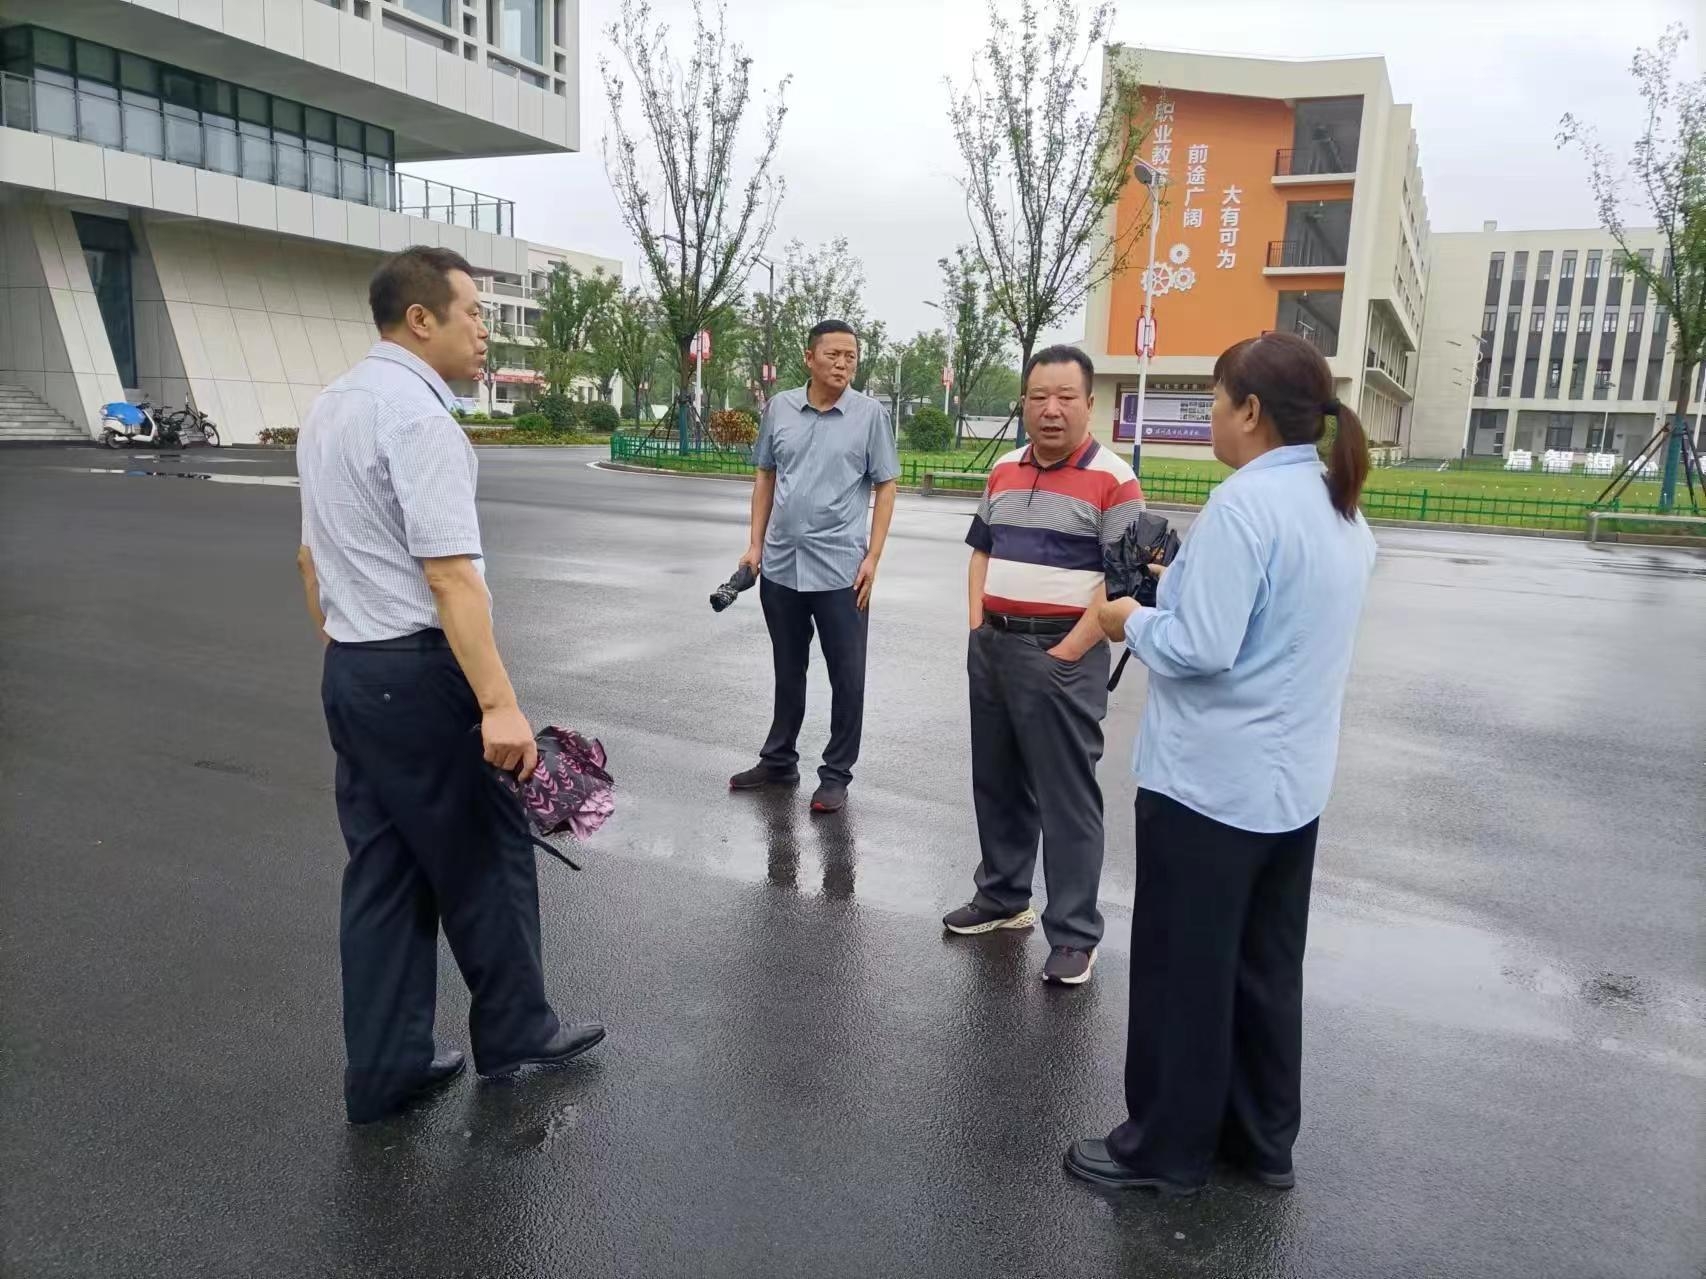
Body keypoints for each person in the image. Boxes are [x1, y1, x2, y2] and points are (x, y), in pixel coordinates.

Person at [296, 245, 604, 1125]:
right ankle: (516, 1031)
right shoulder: (418, 417)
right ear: (420, 318)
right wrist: (499, 702)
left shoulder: (330, 408)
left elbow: (311, 558)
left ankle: (387, 1066)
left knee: (385, 870)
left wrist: (354, 643)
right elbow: (452, 579)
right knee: (486, 854)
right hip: (419, 673)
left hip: (354, 671)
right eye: (473, 312)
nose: (485, 330)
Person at [1064, 331, 1377, 1194]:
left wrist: (1130, 617)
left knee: (1183, 969)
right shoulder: (1337, 502)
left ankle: (1164, 1150)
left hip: (1209, 789)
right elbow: (1274, 625)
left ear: (1248, 410)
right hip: (1290, 791)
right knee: (1265, 967)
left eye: (1213, 399)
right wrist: (1179, 580)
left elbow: (1202, 646)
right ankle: (1262, 1140)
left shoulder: (1244, 506)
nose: (1209, 414)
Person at [941, 345, 1145, 987]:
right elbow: (981, 552)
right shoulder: (1002, 469)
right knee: (997, 782)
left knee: (1066, 798)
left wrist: (1066, 652)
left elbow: (1125, 585)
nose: (1051, 410)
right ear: (1024, 401)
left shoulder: (1114, 480)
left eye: (1065, 398)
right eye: (1038, 397)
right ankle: (1003, 896)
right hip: (995, 647)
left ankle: (1075, 934)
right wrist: (978, 625)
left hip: (1063, 654)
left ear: (1089, 403)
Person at [729, 320, 901, 815]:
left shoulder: (870, 415)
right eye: (833, 355)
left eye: (851, 356)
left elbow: (886, 485)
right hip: (782, 565)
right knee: (789, 669)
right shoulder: (780, 407)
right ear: (809, 357)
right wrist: (754, 546)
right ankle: (779, 761)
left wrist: (873, 556)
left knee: (848, 677)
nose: (843, 364)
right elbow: (765, 473)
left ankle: (836, 775)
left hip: (842, 572)